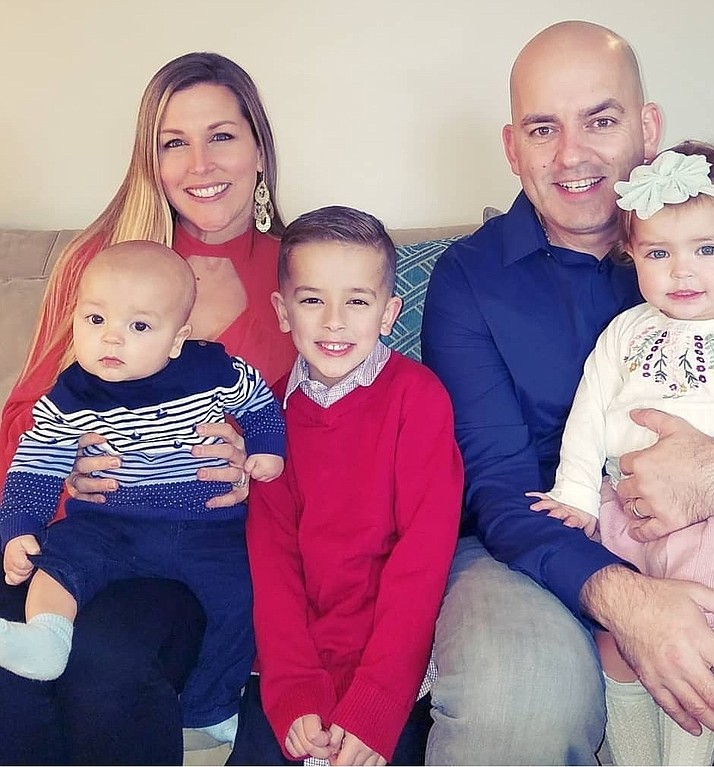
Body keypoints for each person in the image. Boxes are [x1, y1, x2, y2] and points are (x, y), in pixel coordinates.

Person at [420, 20, 714, 766]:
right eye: (542, 128)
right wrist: (625, 597)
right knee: (513, 705)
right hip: (532, 541)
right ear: (511, 146)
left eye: (601, 119)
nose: (572, 155)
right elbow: (496, 486)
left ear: (648, 127)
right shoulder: (468, 281)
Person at [0, 52, 296, 765]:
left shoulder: (301, 271)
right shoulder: (104, 266)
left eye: (222, 135)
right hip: (85, 533)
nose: (200, 162)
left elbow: (333, 429)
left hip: (207, 545)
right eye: (173, 142)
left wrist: (259, 468)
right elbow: (22, 421)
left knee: (111, 657)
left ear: (259, 147)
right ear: (152, 161)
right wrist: (66, 465)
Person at [527, 142, 714, 765]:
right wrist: (573, 492)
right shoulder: (626, 331)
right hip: (627, 518)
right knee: (617, 642)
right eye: (658, 253)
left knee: (688, 644)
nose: (682, 272)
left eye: (706, 250)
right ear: (633, 255)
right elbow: (589, 415)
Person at [0, 241, 285, 743]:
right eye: (94, 320)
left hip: (206, 528)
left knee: (242, 598)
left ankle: (210, 705)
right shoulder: (71, 395)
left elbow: (260, 402)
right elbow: (36, 464)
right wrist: (20, 526)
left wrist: (264, 448)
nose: (111, 339)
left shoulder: (212, 373)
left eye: (138, 327)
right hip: (110, 526)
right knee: (59, 562)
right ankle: (46, 638)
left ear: (177, 340)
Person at [226, 205, 463, 766]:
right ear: (283, 312)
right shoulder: (266, 417)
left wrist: (377, 702)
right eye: (313, 300)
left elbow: (421, 559)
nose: (335, 321)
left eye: (357, 300)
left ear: (388, 313)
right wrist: (294, 691)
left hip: (392, 672)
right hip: (293, 669)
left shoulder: (419, 400)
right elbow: (273, 561)